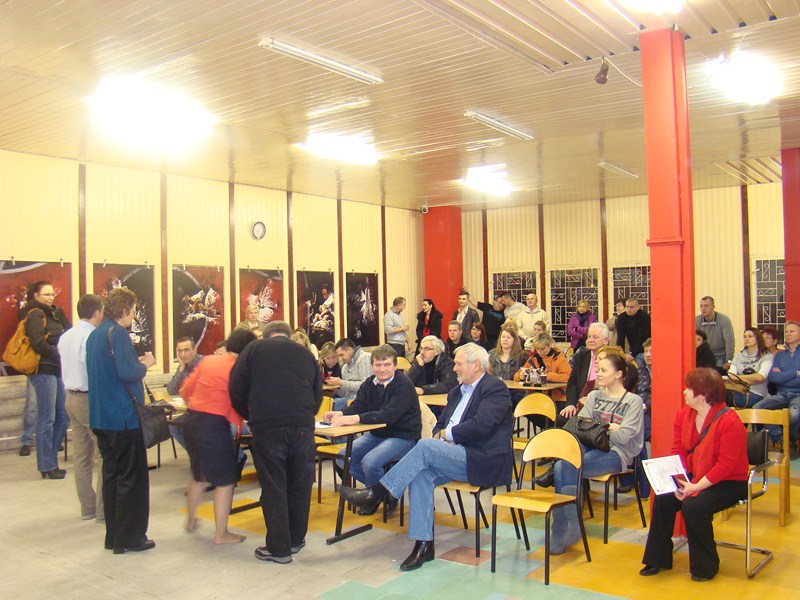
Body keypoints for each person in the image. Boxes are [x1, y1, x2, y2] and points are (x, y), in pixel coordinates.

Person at [338, 343, 513, 571]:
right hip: (449, 454)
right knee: (421, 475)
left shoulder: (494, 388)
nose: (454, 369)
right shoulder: (456, 392)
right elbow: (440, 424)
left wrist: (447, 435)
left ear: (476, 365)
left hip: (481, 458)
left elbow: (482, 424)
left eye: (459, 364)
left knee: (425, 446)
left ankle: (376, 492)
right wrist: (441, 435)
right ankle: (424, 545)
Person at [640, 368, 748, 582]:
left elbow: (725, 465)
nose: (684, 392)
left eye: (689, 388)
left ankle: (706, 565)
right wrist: (679, 481)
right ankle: (657, 557)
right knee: (663, 496)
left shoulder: (730, 421)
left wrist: (695, 488)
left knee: (694, 506)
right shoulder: (684, 416)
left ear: (704, 394)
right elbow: (678, 451)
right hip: (695, 475)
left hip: (729, 482)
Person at [229, 321, 322, 564]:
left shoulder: (253, 350)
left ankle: (279, 549)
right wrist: (305, 416)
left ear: (266, 335)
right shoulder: (305, 353)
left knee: (274, 485)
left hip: (268, 426)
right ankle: (296, 539)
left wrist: (250, 415)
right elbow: (318, 392)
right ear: (289, 335)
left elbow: (236, 388)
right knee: (300, 484)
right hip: (302, 427)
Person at [550, 354, 643, 554]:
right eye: (598, 369)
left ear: (618, 374)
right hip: (589, 445)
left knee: (562, 467)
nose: (598, 374)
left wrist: (598, 426)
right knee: (564, 465)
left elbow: (623, 437)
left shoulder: (633, 401)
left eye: (603, 370)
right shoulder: (594, 396)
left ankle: (561, 530)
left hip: (616, 452)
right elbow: (580, 427)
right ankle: (570, 524)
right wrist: (609, 426)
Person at [87, 287, 157, 554]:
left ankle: (113, 536)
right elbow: (128, 372)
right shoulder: (118, 334)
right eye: (133, 310)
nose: (134, 315)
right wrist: (146, 364)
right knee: (132, 479)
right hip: (123, 418)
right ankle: (131, 538)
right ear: (125, 310)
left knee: (111, 477)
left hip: (101, 416)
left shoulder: (95, 334)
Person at [324, 344, 421, 514]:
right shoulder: (369, 383)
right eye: (378, 365)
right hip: (378, 435)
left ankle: (372, 497)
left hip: (403, 437)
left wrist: (356, 418)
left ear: (395, 366)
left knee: (370, 462)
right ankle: (385, 492)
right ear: (372, 366)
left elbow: (388, 415)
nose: (382, 369)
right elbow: (358, 405)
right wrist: (340, 413)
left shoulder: (404, 385)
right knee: (343, 457)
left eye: (387, 364)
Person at [182, 328, 256, 544]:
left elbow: (186, 390)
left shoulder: (208, 361)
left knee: (199, 475)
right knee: (226, 480)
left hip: (191, 420)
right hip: (213, 426)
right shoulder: (239, 369)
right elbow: (243, 402)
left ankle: (190, 521)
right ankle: (221, 534)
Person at [58, 294, 105, 519]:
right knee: (104, 454)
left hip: (70, 397)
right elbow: (93, 368)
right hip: (88, 399)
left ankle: (87, 508)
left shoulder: (66, 336)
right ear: (97, 312)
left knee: (82, 457)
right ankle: (103, 510)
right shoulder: (91, 337)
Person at [20, 280, 71, 479]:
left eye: (52, 294)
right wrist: (59, 355)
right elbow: (37, 343)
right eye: (46, 295)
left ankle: (50, 459)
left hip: (56, 369)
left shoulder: (54, 313)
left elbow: (69, 332)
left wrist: (61, 315)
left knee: (63, 416)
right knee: (47, 417)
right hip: (42, 369)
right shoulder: (35, 313)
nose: (50, 298)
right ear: (36, 296)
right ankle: (47, 465)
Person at [752, 321, 800, 451]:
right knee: (758, 408)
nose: (788, 334)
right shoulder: (780, 355)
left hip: (798, 394)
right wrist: (795, 373)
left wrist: (783, 376)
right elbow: (773, 378)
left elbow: (783, 379)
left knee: (794, 414)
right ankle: (783, 439)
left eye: (792, 331)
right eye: (786, 331)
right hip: (781, 394)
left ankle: (791, 438)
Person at [560, 322, 610, 422]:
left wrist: (592, 401)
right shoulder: (580, 356)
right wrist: (570, 404)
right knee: (560, 419)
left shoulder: (612, 358)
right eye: (589, 337)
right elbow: (572, 383)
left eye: (595, 337)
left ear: (605, 340)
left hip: (602, 407)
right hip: (579, 404)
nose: (590, 340)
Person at [514, 332, 571, 401]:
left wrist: (546, 376)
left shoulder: (559, 358)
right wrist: (520, 376)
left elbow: (568, 377)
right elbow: (516, 376)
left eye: (542, 349)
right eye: (537, 349)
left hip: (556, 398)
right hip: (535, 396)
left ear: (549, 346)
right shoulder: (534, 359)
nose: (539, 352)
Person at [728, 327, 774, 408]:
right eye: (745, 336)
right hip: (737, 390)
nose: (746, 339)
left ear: (758, 338)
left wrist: (738, 378)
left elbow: (760, 377)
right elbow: (731, 375)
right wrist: (751, 379)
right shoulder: (739, 355)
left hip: (757, 393)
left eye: (750, 336)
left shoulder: (766, 356)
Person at [328, 338, 371, 410]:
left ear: (350, 350)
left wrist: (342, 382)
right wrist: (336, 390)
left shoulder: (364, 358)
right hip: (348, 399)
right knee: (326, 402)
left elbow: (366, 386)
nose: (340, 359)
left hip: (364, 399)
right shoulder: (344, 367)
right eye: (339, 356)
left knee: (331, 406)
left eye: (342, 355)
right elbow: (345, 393)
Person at [695, 296, 735, 368]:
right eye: (701, 306)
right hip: (704, 355)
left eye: (706, 306)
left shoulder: (724, 320)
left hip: (720, 355)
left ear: (713, 307)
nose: (703, 309)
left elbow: (729, 341)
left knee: (718, 372)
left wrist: (729, 361)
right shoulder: (696, 320)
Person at [616, 298, 651, 363]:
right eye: (627, 307)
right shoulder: (621, 318)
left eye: (632, 307)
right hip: (632, 349)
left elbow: (642, 338)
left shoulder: (644, 317)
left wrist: (633, 354)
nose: (629, 309)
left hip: (645, 349)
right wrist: (620, 354)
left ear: (638, 307)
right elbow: (620, 338)